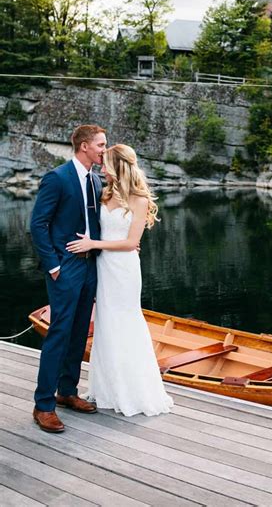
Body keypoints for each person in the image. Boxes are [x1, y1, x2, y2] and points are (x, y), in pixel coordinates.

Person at [66, 144, 173, 417]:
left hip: (123, 269)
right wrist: (92, 244)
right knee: (106, 323)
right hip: (103, 266)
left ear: (119, 166)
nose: (102, 167)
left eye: (106, 163)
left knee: (126, 321)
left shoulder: (139, 199)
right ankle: (107, 389)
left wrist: (92, 244)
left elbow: (130, 243)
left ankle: (133, 390)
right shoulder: (105, 193)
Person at [30, 124, 107, 433]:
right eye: (101, 144)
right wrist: (54, 266)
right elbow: (38, 225)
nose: (104, 149)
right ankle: (43, 405)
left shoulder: (96, 181)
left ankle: (67, 392)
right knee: (60, 334)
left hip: (91, 266)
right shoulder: (57, 178)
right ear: (84, 146)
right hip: (66, 266)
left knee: (78, 332)